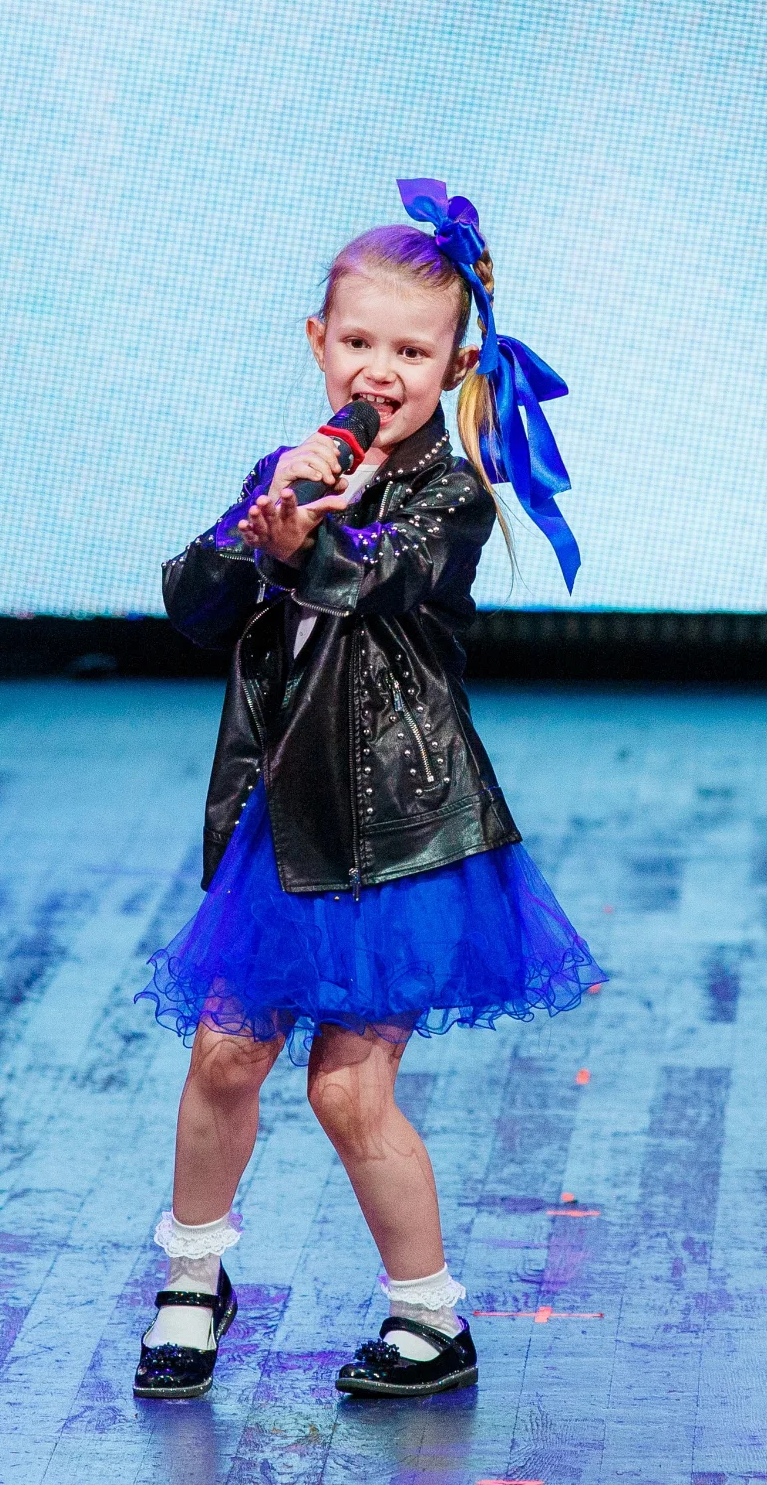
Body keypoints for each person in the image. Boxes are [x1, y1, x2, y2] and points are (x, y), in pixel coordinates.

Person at [133, 179, 607, 1400]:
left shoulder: (449, 492)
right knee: (224, 1056)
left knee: (348, 1087)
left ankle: (428, 1315)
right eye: (357, 341)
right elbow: (192, 605)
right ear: (317, 341)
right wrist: (260, 526)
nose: (378, 371)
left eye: (410, 350)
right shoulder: (286, 470)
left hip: (400, 834)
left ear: (455, 364)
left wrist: (314, 541)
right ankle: (192, 1276)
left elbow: (383, 576)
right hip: (286, 824)